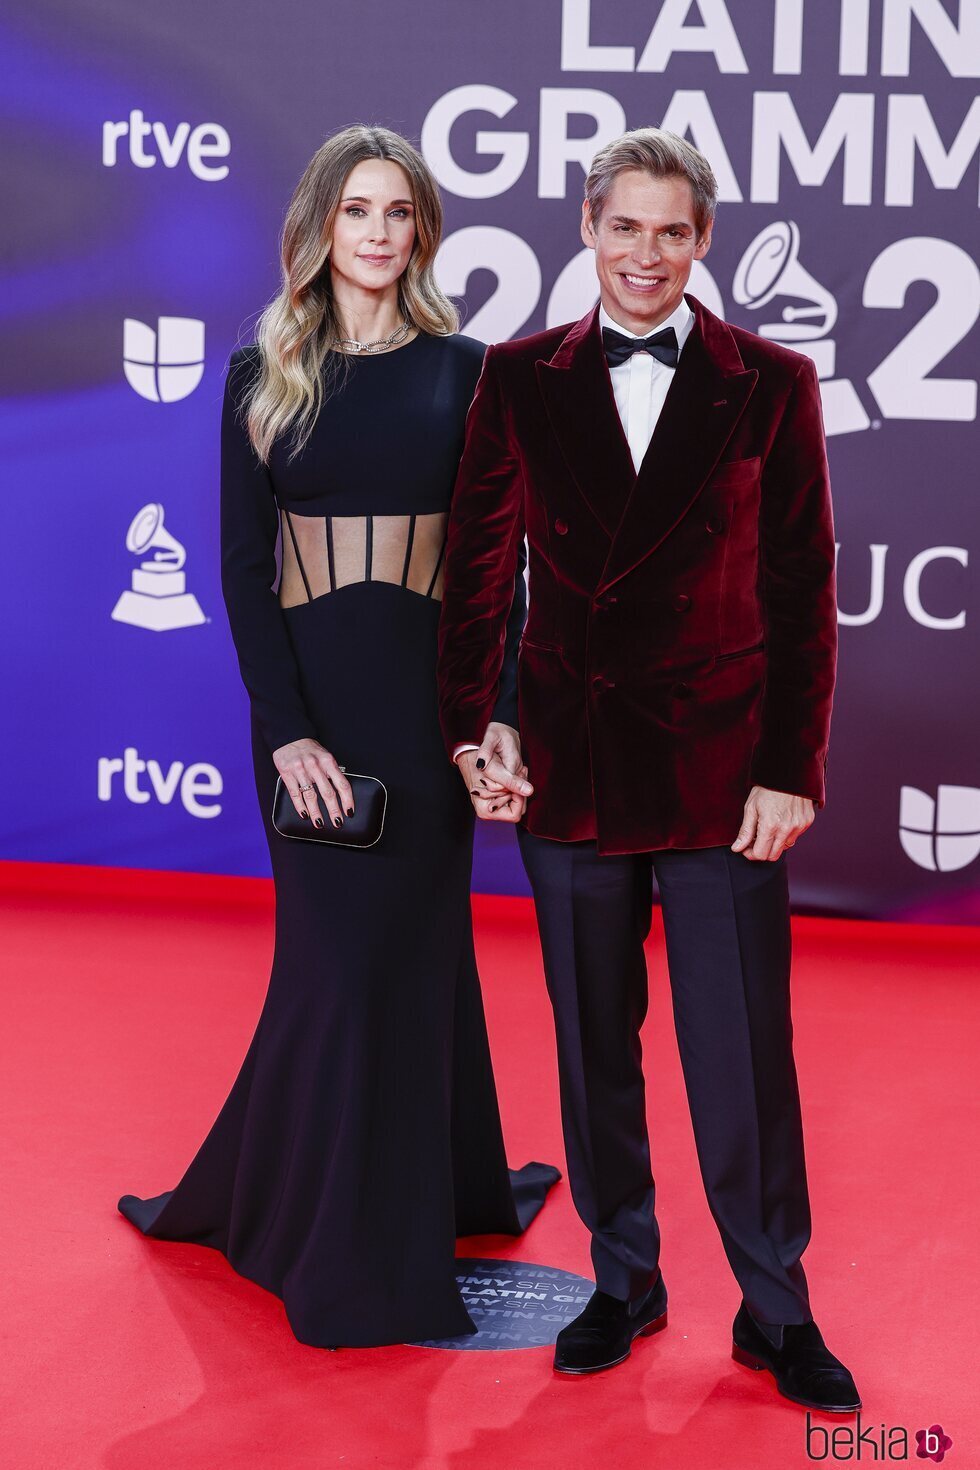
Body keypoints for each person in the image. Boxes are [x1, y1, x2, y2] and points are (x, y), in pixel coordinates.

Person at [437, 127, 860, 1410]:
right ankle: (624, 1280)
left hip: (722, 775)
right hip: (566, 764)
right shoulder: (516, 379)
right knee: (590, 1050)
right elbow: (477, 572)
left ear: (702, 242)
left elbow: (802, 590)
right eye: (624, 227)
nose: (645, 253)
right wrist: (476, 724)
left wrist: (789, 766)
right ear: (586, 228)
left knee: (740, 1054)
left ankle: (774, 1308)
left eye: (670, 231)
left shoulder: (768, 383)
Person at [117, 125, 558, 1349]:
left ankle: (411, 1210)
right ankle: (322, 1235)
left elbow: (500, 573)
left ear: (419, 231)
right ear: (316, 225)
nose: (375, 233)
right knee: (337, 965)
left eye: (397, 213)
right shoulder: (261, 372)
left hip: (430, 713)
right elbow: (245, 576)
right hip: (318, 720)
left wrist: (496, 716)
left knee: (407, 963)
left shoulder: (469, 372)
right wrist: (284, 737)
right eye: (355, 209)